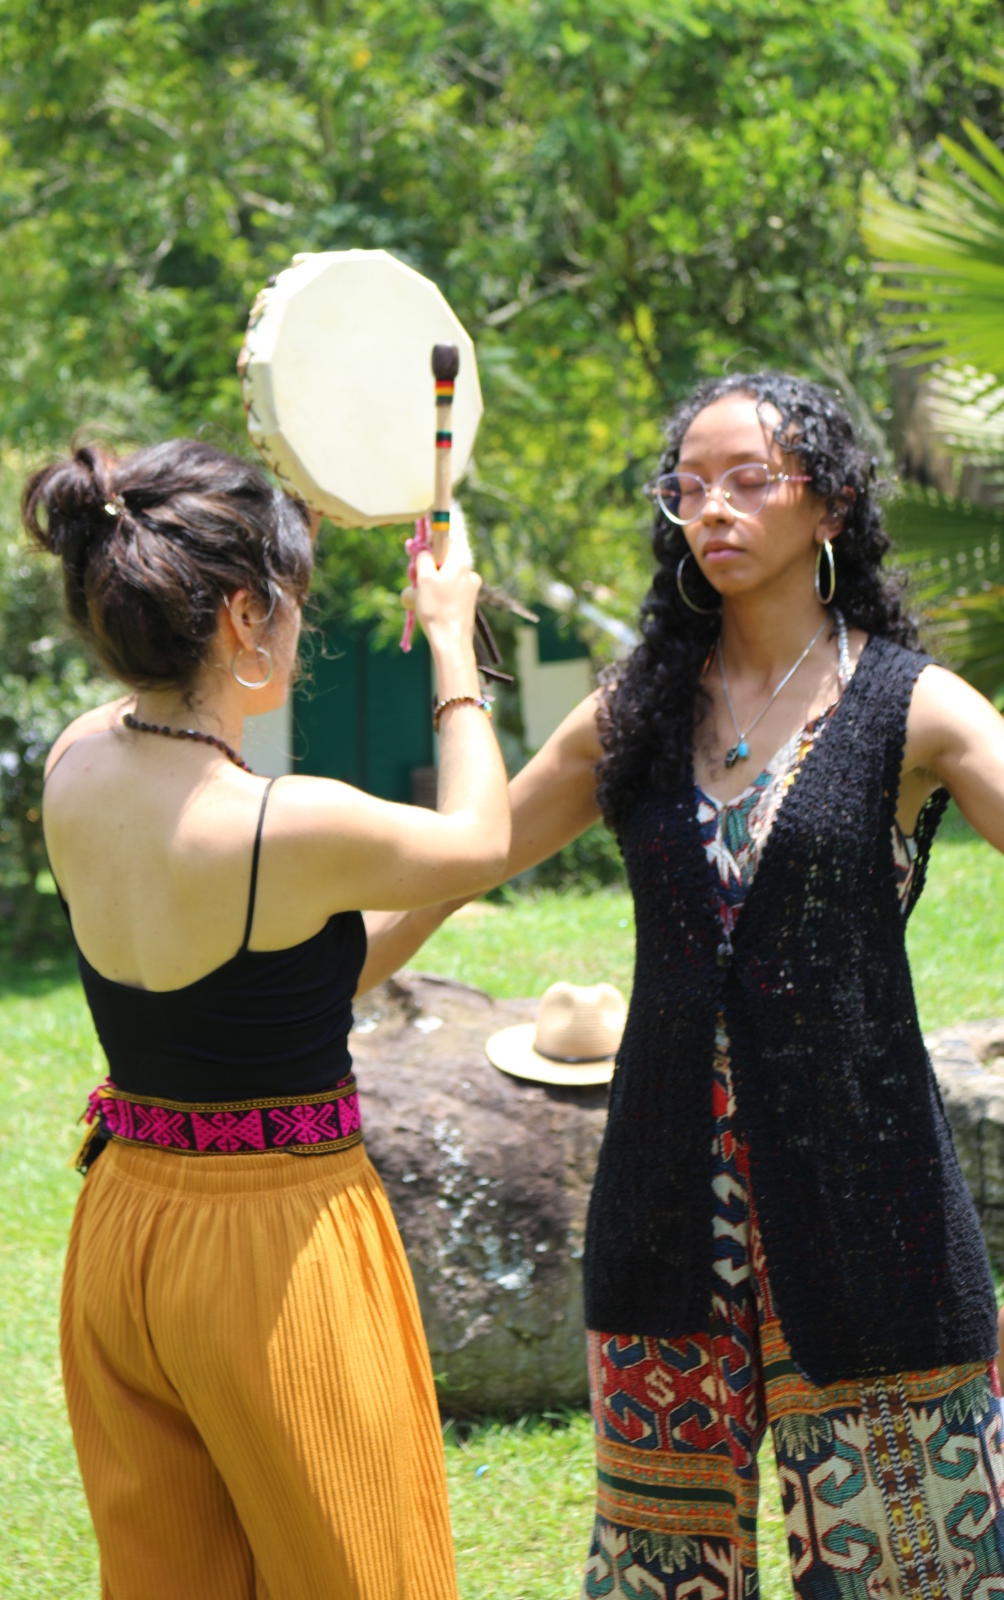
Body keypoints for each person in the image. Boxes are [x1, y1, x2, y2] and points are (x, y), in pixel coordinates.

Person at [363, 373, 1004, 1599]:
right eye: (689, 487)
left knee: (918, 1569)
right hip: (663, 1215)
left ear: (833, 505)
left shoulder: (911, 706)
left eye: (749, 481)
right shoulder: (634, 714)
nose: (712, 509)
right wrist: (451, 636)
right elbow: (465, 854)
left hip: (878, 1214)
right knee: (663, 1574)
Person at [29, 437, 508, 1600]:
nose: (301, 628)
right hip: (272, 1246)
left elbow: (263, 995)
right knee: (363, 1574)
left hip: (127, 1227)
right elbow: (480, 838)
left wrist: (274, 516)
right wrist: (451, 637)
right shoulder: (276, 824)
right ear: (245, 616)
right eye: (290, 602)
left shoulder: (75, 761)